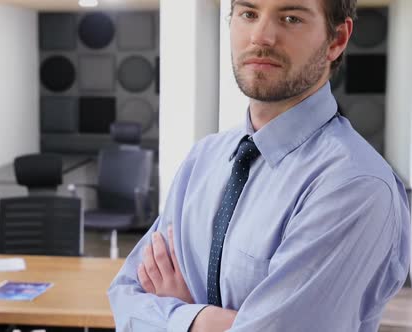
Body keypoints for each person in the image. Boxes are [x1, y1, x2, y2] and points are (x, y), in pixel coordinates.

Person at [107, 0, 411, 331]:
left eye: (291, 18)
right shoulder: (202, 159)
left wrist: (181, 317)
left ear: (336, 40)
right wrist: (207, 321)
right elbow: (125, 297)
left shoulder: (355, 186)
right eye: (249, 14)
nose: (261, 37)